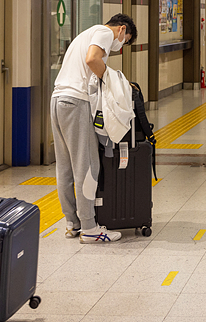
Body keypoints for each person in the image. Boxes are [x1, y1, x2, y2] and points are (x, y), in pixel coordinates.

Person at [51, 13, 136, 243]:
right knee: (87, 165)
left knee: (65, 166)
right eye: (124, 41)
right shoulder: (105, 32)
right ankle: (89, 227)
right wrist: (111, 79)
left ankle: (72, 223)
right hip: (75, 101)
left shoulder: (85, 34)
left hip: (58, 99)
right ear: (121, 30)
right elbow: (92, 59)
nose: (120, 46)